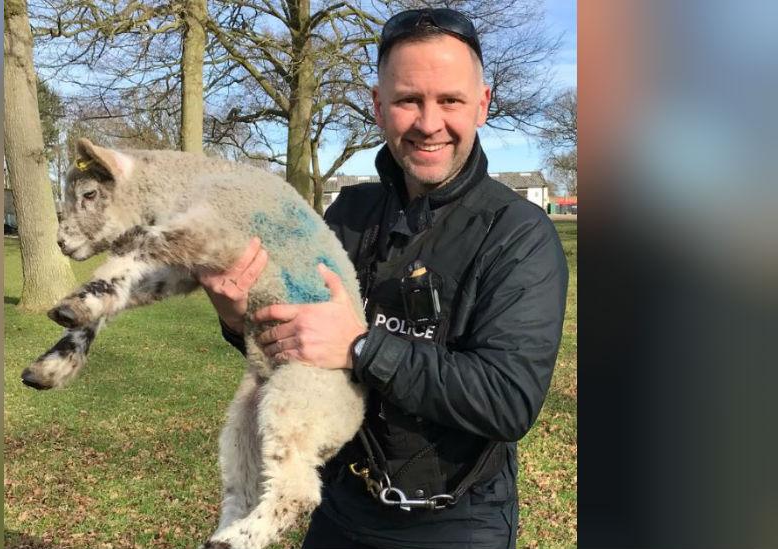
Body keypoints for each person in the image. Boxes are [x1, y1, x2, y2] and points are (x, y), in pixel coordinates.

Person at [199, 8, 568, 549]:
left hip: (456, 522)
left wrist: (361, 346)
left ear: (482, 104)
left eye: (450, 100)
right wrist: (240, 320)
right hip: (341, 509)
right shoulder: (348, 213)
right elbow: (296, 351)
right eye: (407, 100)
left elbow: (508, 400)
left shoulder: (519, 234)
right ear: (378, 106)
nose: (428, 122)